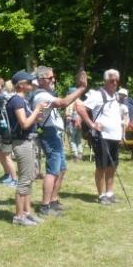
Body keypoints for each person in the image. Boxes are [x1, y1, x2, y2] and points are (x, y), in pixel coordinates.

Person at [32, 66, 88, 217]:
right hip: (48, 133)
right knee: (52, 170)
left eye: (53, 77)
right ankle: (45, 206)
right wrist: (82, 88)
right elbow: (63, 103)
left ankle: (53, 200)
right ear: (41, 80)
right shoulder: (41, 96)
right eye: (50, 78)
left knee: (61, 168)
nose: (53, 80)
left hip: (54, 133)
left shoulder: (46, 93)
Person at [6, 70, 50, 226]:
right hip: (22, 143)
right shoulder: (17, 101)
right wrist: (37, 109)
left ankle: (27, 213)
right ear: (21, 85)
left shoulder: (22, 100)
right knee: (24, 180)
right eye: (29, 82)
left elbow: (28, 121)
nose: (32, 84)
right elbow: (24, 124)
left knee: (30, 178)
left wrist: (37, 115)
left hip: (27, 142)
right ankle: (19, 217)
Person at [76, 69, 126, 205]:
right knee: (101, 166)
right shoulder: (98, 95)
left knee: (112, 166)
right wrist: (92, 125)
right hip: (102, 136)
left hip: (115, 137)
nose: (114, 83)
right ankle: (101, 195)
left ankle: (109, 193)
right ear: (105, 81)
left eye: (116, 80)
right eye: (111, 80)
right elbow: (80, 107)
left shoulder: (116, 96)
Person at [64, 88, 85, 160]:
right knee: (78, 139)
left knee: (71, 139)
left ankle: (75, 155)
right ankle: (80, 153)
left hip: (71, 123)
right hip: (80, 123)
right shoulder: (81, 102)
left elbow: (67, 114)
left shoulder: (70, 102)